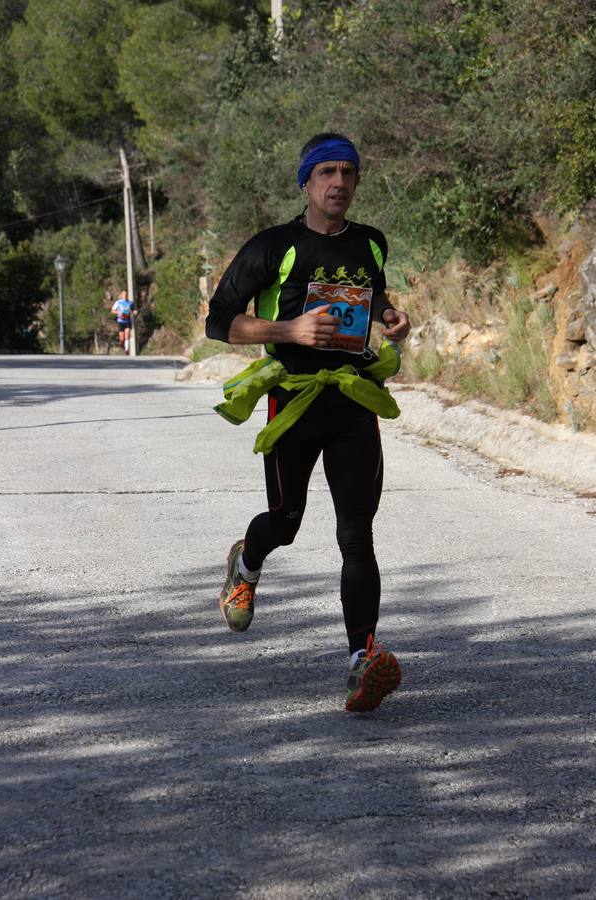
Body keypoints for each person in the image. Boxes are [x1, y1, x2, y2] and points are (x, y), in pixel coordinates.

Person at [205, 132, 411, 712]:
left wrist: (390, 320)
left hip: (351, 401)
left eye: (348, 173)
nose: (339, 183)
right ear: (306, 181)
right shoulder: (274, 246)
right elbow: (220, 322)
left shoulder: (371, 244)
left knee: (356, 533)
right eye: (327, 173)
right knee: (287, 520)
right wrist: (288, 331)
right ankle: (246, 563)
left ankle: (361, 660)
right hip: (292, 399)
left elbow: (372, 300)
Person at [111, 290, 136, 354]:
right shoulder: (118, 302)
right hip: (120, 321)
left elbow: (134, 310)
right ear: (121, 295)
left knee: (127, 335)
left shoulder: (130, 303)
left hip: (128, 321)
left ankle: (126, 350)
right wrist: (119, 312)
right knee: (122, 339)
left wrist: (134, 312)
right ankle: (122, 343)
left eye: (126, 295)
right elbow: (112, 310)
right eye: (124, 295)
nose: (125, 296)